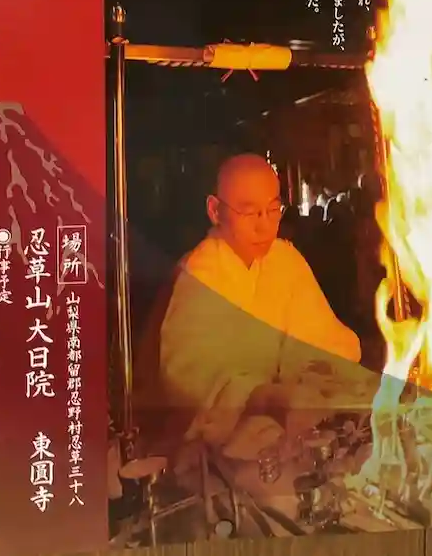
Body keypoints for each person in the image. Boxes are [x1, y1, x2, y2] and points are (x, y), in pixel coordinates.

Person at [138, 154, 363, 452]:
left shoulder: (286, 260)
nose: (265, 226)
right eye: (249, 213)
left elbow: (322, 339)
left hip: (293, 421)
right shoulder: (200, 272)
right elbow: (187, 379)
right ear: (215, 211)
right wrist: (261, 397)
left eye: (273, 210)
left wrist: (316, 377)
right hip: (222, 436)